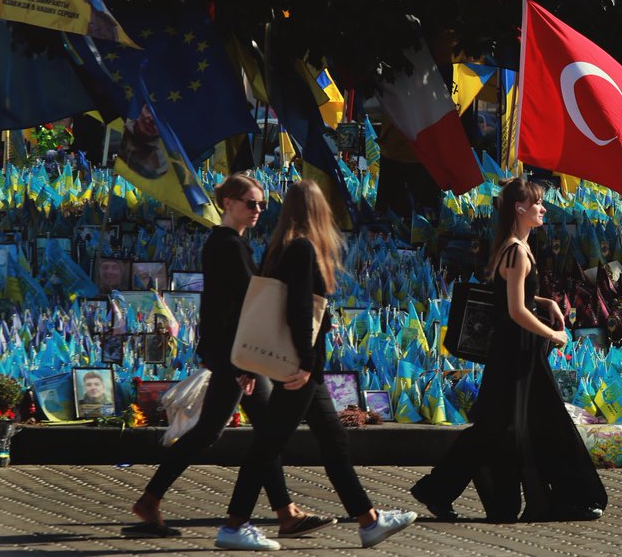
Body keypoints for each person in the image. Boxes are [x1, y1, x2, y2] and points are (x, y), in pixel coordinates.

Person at [130, 175, 332, 541]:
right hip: (238, 355)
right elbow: (242, 309)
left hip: (232, 354)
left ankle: (153, 499)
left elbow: (222, 307)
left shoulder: (226, 243)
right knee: (258, 433)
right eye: (250, 203)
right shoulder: (228, 246)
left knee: (220, 431)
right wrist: (240, 365)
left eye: (261, 205)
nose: (258, 211)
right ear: (228, 203)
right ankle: (280, 514)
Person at [218, 180, 416, 550]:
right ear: (318, 210)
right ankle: (233, 525)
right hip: (301, 366)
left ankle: (369, 520)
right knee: (269, 444)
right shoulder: (304, 249)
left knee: (333, 440)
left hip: (303, 366)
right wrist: (306, 363)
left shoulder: (279, 247)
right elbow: (298, 309)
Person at [411, 177, 607, 523]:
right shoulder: (516, 251)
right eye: (537, 204)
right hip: (516, 352)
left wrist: (547, 302)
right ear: (520, 208)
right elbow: (516, 310)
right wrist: (554, 334)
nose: (543, 209)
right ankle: (559, 496)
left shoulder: (512, 246)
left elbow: (515, 298)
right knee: (513, 424)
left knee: (499, 426)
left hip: (514, 350)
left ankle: (443, 490)